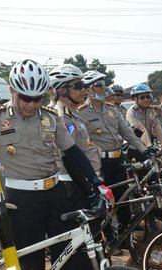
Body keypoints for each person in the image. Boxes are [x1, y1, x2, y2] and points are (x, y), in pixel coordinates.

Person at [0, 59, 109, 269]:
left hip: (56, 194)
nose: (31, 105)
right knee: (31, 262)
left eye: (37, 99)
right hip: (21, 202)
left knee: (70, 256)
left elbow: (72, 152)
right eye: (26, 98)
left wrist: (96, 182)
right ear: (12, 91)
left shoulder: (51, 117)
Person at [78, 75, 150, 247]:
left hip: (118, 161)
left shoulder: (112, 109)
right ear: (88, 89)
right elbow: (83, 143)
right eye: (99, 85)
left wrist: (145, 150)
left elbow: (128, 134)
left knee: (123, 201)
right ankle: (109, 239)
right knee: (104, 203)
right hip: (100, 164)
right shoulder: (81, 113)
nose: (104, 88)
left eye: (103, 84)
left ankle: (123, 238)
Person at [49, 66, 103, 213]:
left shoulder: (73, 113)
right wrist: (88, 188)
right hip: (74, 184)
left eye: (83, 85)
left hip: (84, 180)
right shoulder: (61, 116)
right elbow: (69, 158)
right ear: (62, 91)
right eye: (78, 86)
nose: (84, 90)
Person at [126, 84, 162, 161]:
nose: (146, 99)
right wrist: (149, 146)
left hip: (148, 146)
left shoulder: (151, 110)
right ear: (135, 99)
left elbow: (157, 127)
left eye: (148, 97)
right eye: (142, 97)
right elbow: (141, 129)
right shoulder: (132, 112)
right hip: (134, 147)